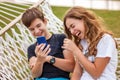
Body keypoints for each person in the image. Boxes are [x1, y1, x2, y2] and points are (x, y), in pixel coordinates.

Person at [62, 6, 118, 80]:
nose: (72, 32)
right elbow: (78, 72)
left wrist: (75, 50)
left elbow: (96, 73)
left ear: (84, 20)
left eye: (73, 26)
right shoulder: (83, 42)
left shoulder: (105, 40)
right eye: (69, 29)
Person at [21, 7, 75, 80]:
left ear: (45, 21)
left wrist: (47, 58)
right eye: (32, 29)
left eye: (38, 25)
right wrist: (40, 60)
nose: (36, 31)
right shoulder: (32, 48)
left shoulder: (61, 38)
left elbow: (71, 67)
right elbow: (35, 74)